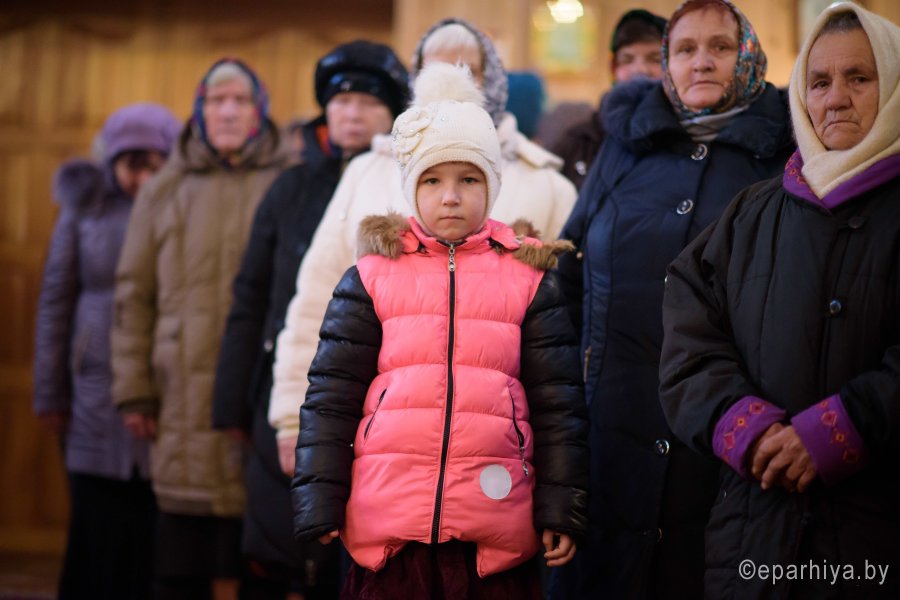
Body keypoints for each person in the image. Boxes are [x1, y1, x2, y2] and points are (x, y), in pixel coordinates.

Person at [290, 62, 588, 600]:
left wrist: (560, 506)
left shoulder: (528, 279)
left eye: (468, 179)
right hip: (391, 533)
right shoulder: (371, 277)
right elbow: (331, 397)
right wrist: (319, 498)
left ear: (491, 186)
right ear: (412, 187)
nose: (450, 196)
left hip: (493, 532)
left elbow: (558, 405)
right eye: (433, 180)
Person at [552, 0, 795, 597]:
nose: (701, 62)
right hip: (610, 426)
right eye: (685, 49)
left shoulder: (785, 149)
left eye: (719, 47)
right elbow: (570, 271)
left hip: (725, 430)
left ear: (748, 57)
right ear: (667, 61)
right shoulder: (624, 142)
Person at [659, 3, 900, 598]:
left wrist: (842, 429)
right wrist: (747, 430)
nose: (835, 99)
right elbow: (690, 341)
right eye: (818, 82)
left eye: (859, 78)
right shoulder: (752, 211)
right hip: (755, 535)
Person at [269, 17, 577, 475]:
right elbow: (318, 296)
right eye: (433, 70)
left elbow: (561, 334)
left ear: (490, 80)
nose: (447, 82)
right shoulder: (369, 171)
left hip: (495, 451)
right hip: (378, 439)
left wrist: (558, 469)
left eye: (465, 69)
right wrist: (293, 415)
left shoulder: (545, 183)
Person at [211, 41, 409, 599]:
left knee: (341, 548)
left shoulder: (400, 185)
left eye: (368, 103)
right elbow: (251, 296)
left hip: (362, 388)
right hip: (282, 381)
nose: (352, 113)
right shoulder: (291, 186)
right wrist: (231, 401)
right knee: (272, 549)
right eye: (341, 101)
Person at [111, 58, 293, 600]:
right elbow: (133, 294)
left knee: (261, 562)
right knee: (180, 567)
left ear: (259, 112)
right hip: (181, 393)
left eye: (240, 100)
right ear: (199, 112)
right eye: (217, 101)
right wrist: (134, 390)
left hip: (259, 391)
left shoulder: (288, 181)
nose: (228, 111)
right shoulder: (165, 188)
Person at [33, 102, 180, 600]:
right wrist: (49, 391)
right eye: (132, 166)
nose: (142, 180)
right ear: (111, 161)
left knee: (151, 526)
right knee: (95, 519)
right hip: (92, 386)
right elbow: (55, 300)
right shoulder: (84, 209)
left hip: (159, 381)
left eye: (153, 166)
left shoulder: (179, 206)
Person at [550, 9, 667, 189]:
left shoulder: (685, 140)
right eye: (627, 60)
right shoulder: (579, 142)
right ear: (613, 69)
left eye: (655, 59)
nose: (640, 70)